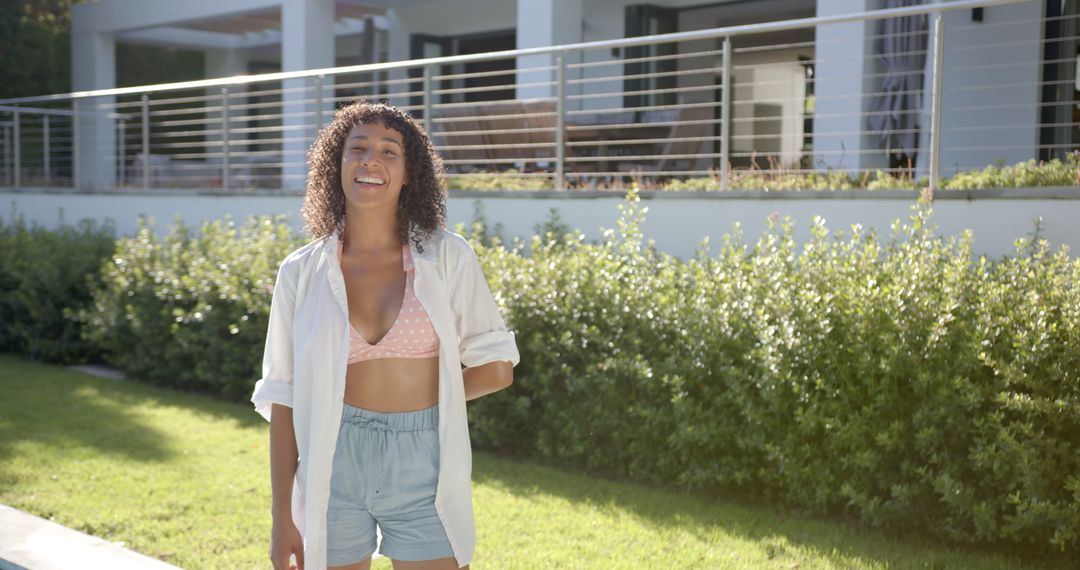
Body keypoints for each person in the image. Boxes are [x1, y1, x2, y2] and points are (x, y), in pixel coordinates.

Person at [250, 100, 520, 570]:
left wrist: (435, 401)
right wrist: (281, 518)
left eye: (389, 151)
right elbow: (283, 398)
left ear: (409, 172)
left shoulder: (447, 258)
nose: (371, 160)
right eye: (358, 148)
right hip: (332, 458)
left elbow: (496, 368)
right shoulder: (301, 271)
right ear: (337, 164)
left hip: (426, 462)